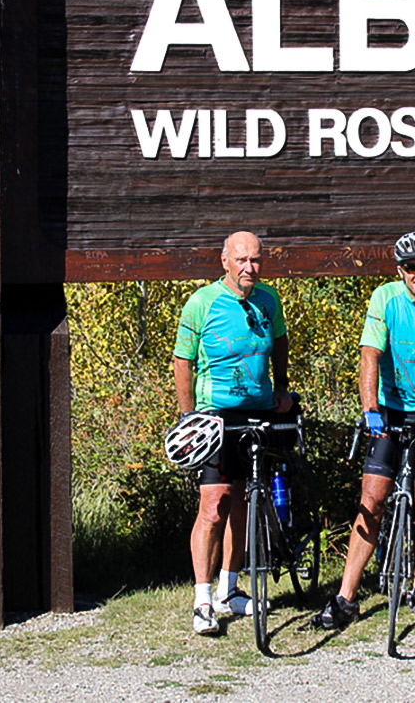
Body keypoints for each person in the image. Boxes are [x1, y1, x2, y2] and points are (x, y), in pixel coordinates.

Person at [313, 230, 415, 630]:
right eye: (412, 268)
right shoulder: (385, 297)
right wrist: (370, 409)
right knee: (372, 499)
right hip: (389, 412)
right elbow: (370, 355)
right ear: (401, 271)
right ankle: (346, 597)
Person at [173, 231, 294, 636]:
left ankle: (230, 588)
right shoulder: (201, 303)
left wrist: (281, 386)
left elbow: (279, 340)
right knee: (213, 505)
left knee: (245, 501)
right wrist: (188, 418)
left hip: (259, 412)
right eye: (241, 260)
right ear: (224, 260)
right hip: (215, 416)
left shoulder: (268, 299)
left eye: (256, 260)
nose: (249, 268)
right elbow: (182, 361)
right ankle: (202, 599)